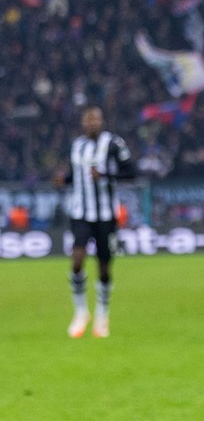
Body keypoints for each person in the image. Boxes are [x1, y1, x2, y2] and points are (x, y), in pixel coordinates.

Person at [56, 106, 134, 338]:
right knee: (77, 260)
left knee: (103, 267)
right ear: (83, 123)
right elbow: (74, 175)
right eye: (88, 120)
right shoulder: (77, 146)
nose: (92, 124)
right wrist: (64, 179)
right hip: (80, 213)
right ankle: (81, 312)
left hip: (106, 215)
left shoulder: (113, 144)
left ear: (102, 122)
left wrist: (106, 176)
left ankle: (102, 313)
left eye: (96, 120)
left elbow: (131, 173)